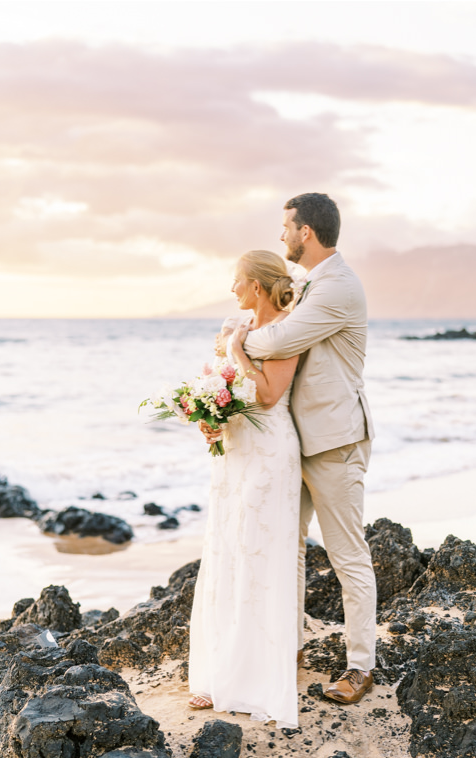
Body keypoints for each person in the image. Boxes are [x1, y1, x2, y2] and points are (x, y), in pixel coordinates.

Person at [231, 192, 376, 705]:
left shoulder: (337, 286)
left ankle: (361, 667)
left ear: (306, 232)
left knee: (347, 555)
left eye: (286, 227)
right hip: (296, 441)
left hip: (335, 440)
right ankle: (287, 650)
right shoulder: (308, 284)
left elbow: (277, 343)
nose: (281, 236)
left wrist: (235, 340)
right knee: (287, 548)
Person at [187, 250, 303, 728]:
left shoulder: (286, 332)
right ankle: (217, 674)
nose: (232, 289)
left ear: (256, 285)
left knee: (259, 553)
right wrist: (209, 418)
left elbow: (271, 393)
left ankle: (256, 679)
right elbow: (223, 387)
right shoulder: (234, 323)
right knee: (226, 551)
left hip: (271, 451)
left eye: (237, 281)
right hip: (235, 448)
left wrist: (237, 351)